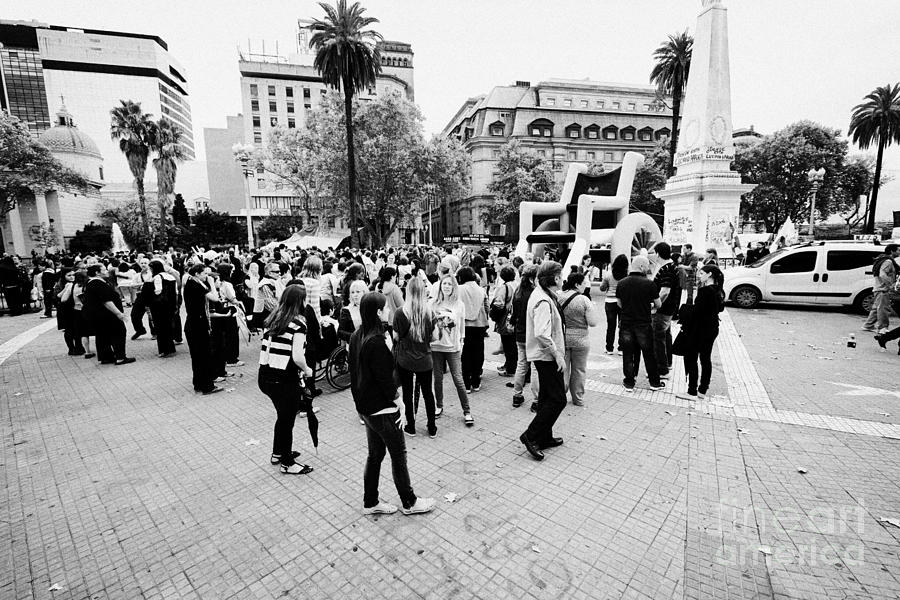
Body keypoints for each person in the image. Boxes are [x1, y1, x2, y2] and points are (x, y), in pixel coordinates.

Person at [349, 292, 435, 516]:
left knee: (375, 454)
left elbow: (355, 373)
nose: (389, 311)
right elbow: (386, 379)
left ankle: (371, 502)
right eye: (385, 308)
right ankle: (409, 502)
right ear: (378, 312)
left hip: (366, 407)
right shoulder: (375, 341)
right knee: (398, 454)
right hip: (382, 407)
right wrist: (400, 403)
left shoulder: (358, 336)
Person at [258, 284, 315, 475]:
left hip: (265, 376)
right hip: (283, 380)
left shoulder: (275, 318)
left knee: (282, 417)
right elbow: (298, 356)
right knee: (287, 419)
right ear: (300, 302)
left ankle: (278, 453)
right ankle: (287, 463)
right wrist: (307, 370)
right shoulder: (298, 324)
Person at [519, 261, 567, 462]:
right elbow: (542, 333)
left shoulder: (543, 295)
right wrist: (557, 355)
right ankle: (531, 435)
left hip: (543, 355)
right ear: (555, 278)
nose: (562, 278)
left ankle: (544, 436)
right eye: (560, 275)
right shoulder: (542, 300)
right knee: (558, 399)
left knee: (548, 397)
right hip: (546, 356)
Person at [393, 278, 438, 438]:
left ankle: (410, 426)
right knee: (428, 393)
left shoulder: (400, 312)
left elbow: (396, 337)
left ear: (408, 292)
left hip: (405, 359)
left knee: (407, 393)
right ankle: (432, 427)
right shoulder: (430, 313)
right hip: (425, 359)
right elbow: (434, 338)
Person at [676, 265, 725, 400]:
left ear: (709, 274)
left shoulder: (705, 291)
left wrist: (685, 311)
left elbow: (697, 312)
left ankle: (691, 391)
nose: (699, 275)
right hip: (712, 328)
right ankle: (702, 390)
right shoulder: (718, 290)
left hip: (699, 329)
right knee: (705, 358)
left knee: (691, 357)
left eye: (701, 273)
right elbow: (719, 309)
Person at [430, 274, 473, 426]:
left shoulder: (459, 304)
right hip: (436, 346)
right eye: (444, 283)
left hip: (453, 347)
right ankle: (439, 405)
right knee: (437, 378)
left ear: (454, 286)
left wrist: (461, 340)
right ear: (440, 286)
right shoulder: (433, 303)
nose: (446, 286)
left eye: (449, 284)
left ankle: (467, 411)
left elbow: (461, 325)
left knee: (458, 379)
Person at [616, 255, 664, 392]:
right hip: (643, 323)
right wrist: (651, 309)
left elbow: (619, 304)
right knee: (649, 353)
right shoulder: (649, 284)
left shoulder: (622, 283)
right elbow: (658, 304)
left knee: (628, 353)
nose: (648, 268)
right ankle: (654, 383)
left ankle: (629, 382)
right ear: (642, 267)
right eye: (647, 266)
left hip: (626, 323)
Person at [558, 272, 599, 406]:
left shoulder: (559, 296)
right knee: (579, 370)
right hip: (581, 340)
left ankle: (560, 396)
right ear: (577, 284)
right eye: (583, 284)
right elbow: (592, 322)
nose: (585, 286)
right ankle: (577, 398)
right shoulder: (584, 300)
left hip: (562, 338)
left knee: (562, 368)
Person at [82, 264, 135, 365]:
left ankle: (106, 357)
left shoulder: (90, 283)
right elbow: (106, 301)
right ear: (97, 273)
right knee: (118, 332)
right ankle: (120, 357)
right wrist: (118, 313)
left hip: (96, 315)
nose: (106, 271)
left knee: (102, 335)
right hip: (107, 315)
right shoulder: (98, 283)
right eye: (104, 270)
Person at [183, 264, 222, 394]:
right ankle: (207, 385)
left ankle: (199, 383)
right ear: (197, 273)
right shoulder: (195, 285)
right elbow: (215, 298)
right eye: (205, 273)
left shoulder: (192, 282)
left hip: (195, 324)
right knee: (204, 355)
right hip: (197, 325)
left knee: (198, 356)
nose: (207, 276)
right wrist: (211, 283)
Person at [649, 242, 680, 380]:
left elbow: (665, 291)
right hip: (669, 309)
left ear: (657, 253)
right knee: (666, 336)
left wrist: (655, 305)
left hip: (662, 310)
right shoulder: (671, 266)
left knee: (658, 339)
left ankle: (662, 370)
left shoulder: (667, 268)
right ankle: (668, 364)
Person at [510, 264, 538, 408]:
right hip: (532, 334)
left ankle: (517, 394)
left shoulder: (518, 291)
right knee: (534, 367)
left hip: (519, 334)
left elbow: (514, 315)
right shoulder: (536, 294)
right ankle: (536, 400)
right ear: (534, 278)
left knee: (521, 365)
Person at [457, 266, 489, 393]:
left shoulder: (459, 289)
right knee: (478, 352)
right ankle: (476, 381)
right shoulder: (481, 290)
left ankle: (466, 383)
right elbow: (487, 307)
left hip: (464, 325)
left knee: (466, 353)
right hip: (480, 324)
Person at [862, 244, 899, 333]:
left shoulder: (882, 259)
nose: (899, 252)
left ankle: (868, 325)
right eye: (898, 250)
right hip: (883, 289)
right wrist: (890, 285)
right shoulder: (888, 262)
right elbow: (882, 274)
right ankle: (882, 328)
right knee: (883, 309)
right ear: (892, 251)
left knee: (876, 308)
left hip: (879, 288)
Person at [599, 254, 629, 355]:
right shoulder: (627, 275)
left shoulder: (608, 274)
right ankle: (621, 348)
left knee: (611, 326)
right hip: (623, 303)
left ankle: (609, 348)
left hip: (610, 302)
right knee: (623, 326)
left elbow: (602, 288)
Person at [491, 266, 518, 377]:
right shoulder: (516, 285)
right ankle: (509, 365)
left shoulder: (504, 287)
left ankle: (510, 368)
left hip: (505, 318)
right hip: (515, 317)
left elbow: (499, 303)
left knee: (508, 344)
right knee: (512, 344)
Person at [148, 259, 178, 358]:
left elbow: (158, 291)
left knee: (160, 328)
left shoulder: (157, 277)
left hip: (159, 307)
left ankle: (164, 350)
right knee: (168, 327)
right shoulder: (170, 276)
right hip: (170, 305)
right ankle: (171, 348)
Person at [55, 268, 84, 355]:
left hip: (71, 308)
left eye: (73, 275)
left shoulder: (74, 283)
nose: (72, 277)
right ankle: (72, 348)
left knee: (75, 329)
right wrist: (66, 288)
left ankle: (77, 347)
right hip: (67, 309)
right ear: (64, 276)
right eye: (69, 275)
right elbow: (59, 297)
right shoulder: (62, 284)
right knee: (70, 329)